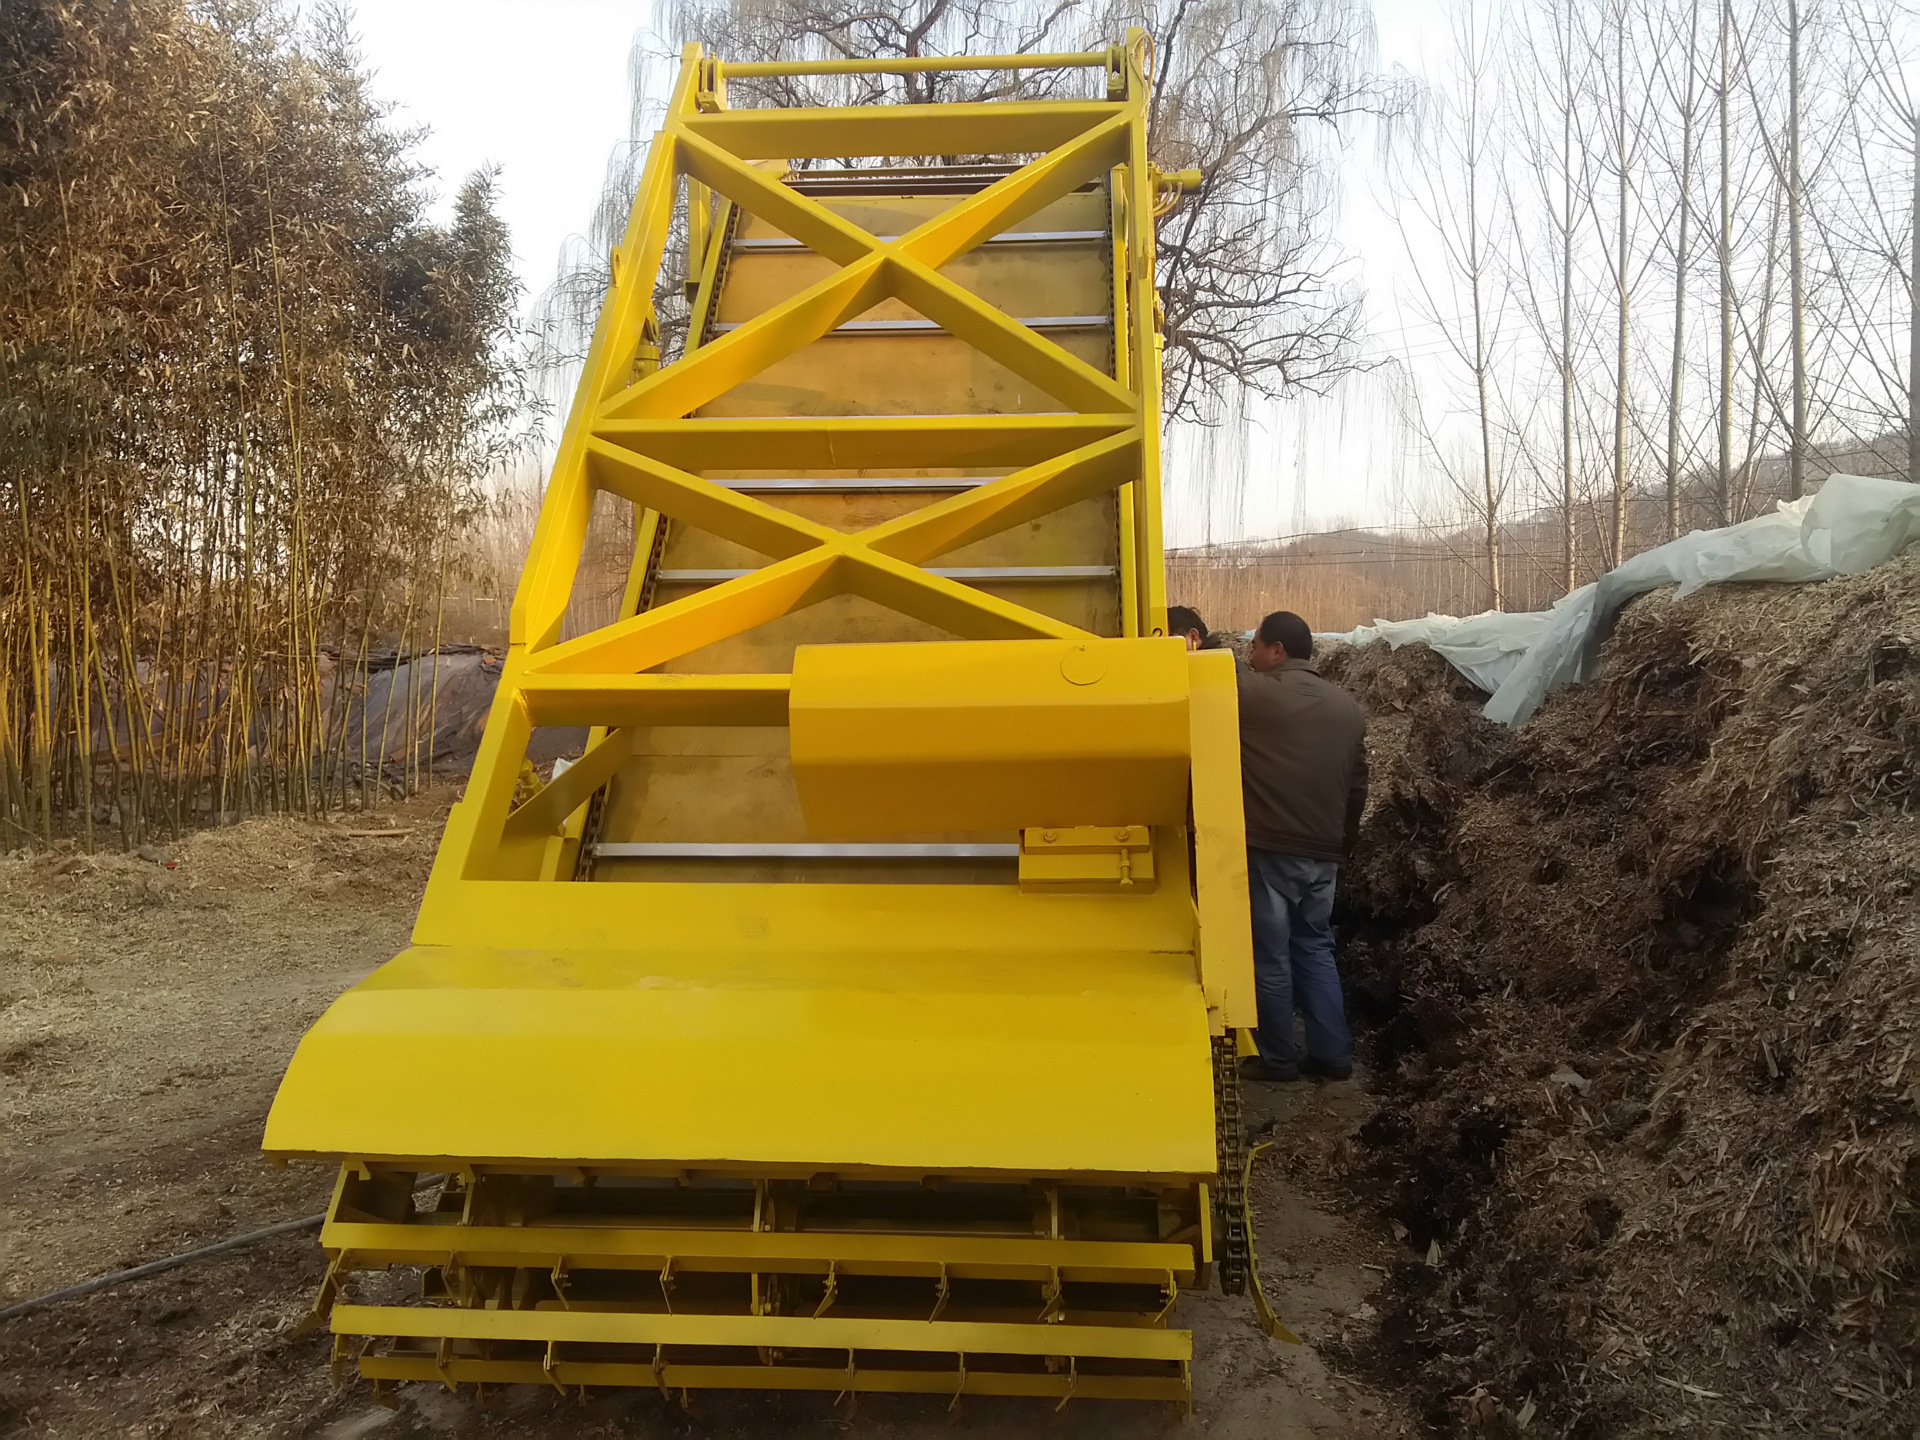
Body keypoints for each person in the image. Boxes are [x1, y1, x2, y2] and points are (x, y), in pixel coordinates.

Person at [1235, 610, 1367, 1083]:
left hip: (1272, 849)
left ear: (1277, 650)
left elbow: (1211, 676)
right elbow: (1357, 788)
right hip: (1324, 852)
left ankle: (1277, 1059)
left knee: (1271, 955)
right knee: (1314, 946)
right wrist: (1341, 844)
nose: (1249, 658)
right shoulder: (1348, 708)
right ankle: (1333, 1056)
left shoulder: (1254, 695)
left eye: (1255, 647)